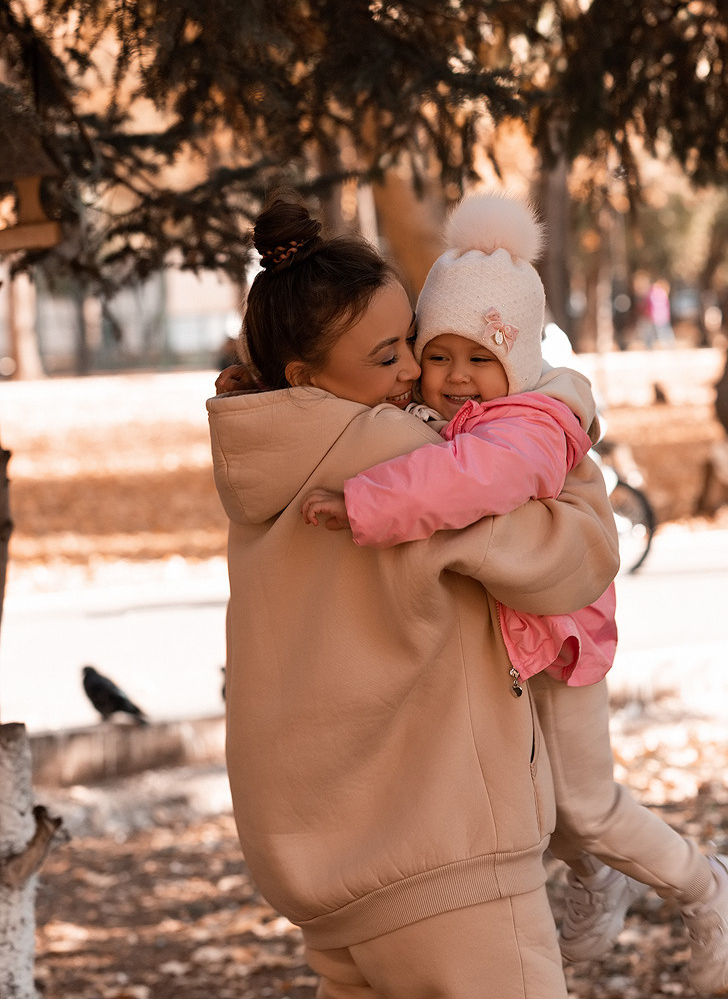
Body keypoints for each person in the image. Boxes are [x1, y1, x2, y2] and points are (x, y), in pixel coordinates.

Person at [302, 191, 728, 995]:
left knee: (583, 803)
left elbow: (473, 479)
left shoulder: (526, 425)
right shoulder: (460, 412)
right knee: (535, 809)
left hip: (561, 636)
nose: (452, 376)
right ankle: (601, 873)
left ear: (514, 360)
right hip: (516, 640)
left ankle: (712, 885)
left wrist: (368, 503)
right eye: (436, 353)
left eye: (478, 358)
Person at [207, 188, 620, 999]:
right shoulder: (400, 455)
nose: (413, 373)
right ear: (307, 373)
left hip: (328, 878)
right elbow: (574, 559)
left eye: (410, 343)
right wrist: (564, 411)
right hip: (446, 862)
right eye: (389, 355)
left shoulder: (263, 461)